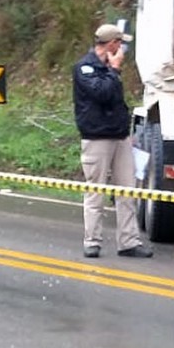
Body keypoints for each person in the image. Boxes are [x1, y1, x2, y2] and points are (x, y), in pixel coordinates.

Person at [73, 23, 153, 259]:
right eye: (120, 44)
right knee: (95, 190)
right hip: (97, 137)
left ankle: (129, 241)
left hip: (119, 136)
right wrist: (115, 69)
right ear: (111, 44)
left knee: (127, 190)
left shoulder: (108, 70)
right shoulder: (85, 68)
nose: (122, 49)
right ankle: (92, 241)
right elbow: (101, 93)